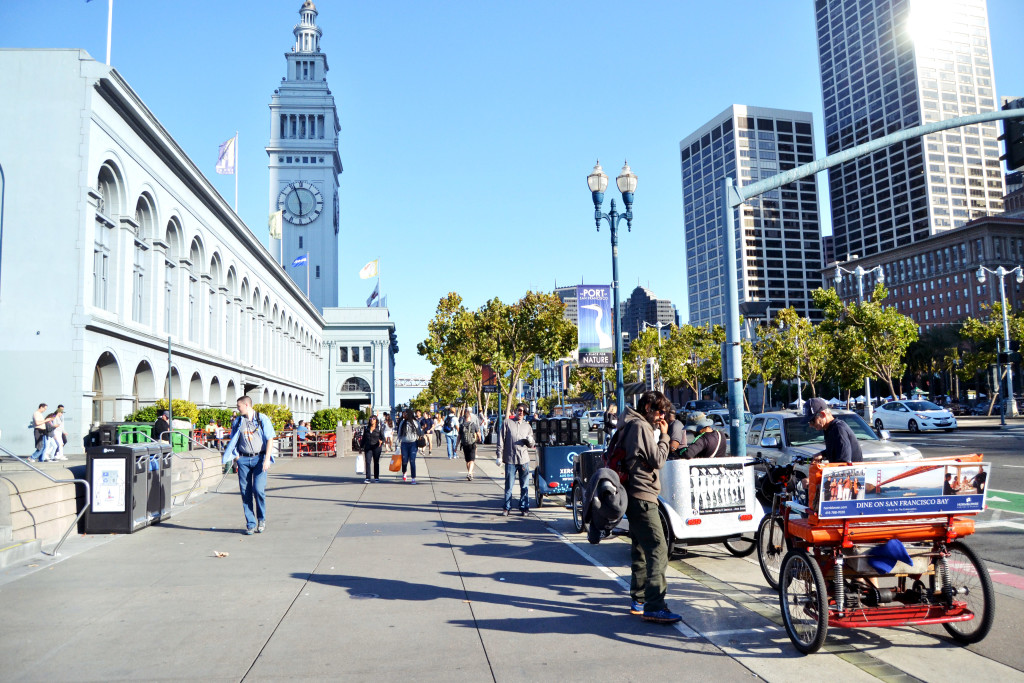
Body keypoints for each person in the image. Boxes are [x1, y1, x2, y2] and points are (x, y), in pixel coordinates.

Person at [618, 390, 681, 625]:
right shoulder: (641, 427)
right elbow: (658, 460)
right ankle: (655, 605)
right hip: (643, 495)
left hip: (632, 494)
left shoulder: (628, 423)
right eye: (659, 411)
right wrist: (665, 437)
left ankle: (639, 600)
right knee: (658, 548)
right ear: (647, 408)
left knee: (641, 549)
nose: (661, 416)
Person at [222, 396, 277, 535]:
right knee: (245, 492)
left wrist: (266, 459)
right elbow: (234, 438)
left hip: (259, 458)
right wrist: (237, 456)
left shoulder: (262, 418)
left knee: (258, 490)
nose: (237, 409)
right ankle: (251, 524)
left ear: (246, 405)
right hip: (244, 459)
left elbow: (270, 438)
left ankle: (261, 519)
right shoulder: (238, 421)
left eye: (239, 406)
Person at [498, 402, 536, 516]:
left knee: (524, 486)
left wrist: (530, 441)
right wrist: (499, 455)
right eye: (520, 410)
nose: (521, 413)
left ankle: (524, 507)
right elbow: (501, 440)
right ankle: (507, 507)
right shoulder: (507, 423)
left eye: (524, 411)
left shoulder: (527, 426)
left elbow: (532, 444)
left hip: (523, 459)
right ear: (516, 410)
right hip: (510, 459)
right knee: (509, 485)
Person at [804, 397, 863, 464]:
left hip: (852, 473)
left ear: (823, 414)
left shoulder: (839, 429)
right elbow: (837, 450)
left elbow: (843, 462)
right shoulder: (829, 428)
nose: (810, 425)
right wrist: (822, 454)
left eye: (812, 421)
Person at [396, 409, 423, 483]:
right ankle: (404, 472)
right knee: (404, 461)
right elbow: (399, 433)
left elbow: (420, 433)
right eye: (403, 414)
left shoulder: (415, 422)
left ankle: (413, 478)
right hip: (404, 443)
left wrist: (421, 431)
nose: (403, 415)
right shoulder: (402, 422)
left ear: (409, 414)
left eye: (405, 414)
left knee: (412, 460)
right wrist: (397, 443)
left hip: (413, 443)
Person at [457, 409, 482, 480]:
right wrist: (479, 439)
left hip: (464, 444)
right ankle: (470, 473)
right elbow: (478, 433)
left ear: (464, 418)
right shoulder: (473, 425)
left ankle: (470, 473)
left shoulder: (461, 426)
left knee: (467, 460)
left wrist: (456, 446)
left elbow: (459, 436)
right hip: (472, 444)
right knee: (472, 460)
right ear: (470, 417)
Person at [361, 415, 385, 483]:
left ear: (376, 420)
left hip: (376, 447)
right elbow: (364, 438)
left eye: (374, 419)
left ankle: (376, 477)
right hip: (368, 447)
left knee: (376, 462)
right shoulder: (366, 428)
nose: (372, 420)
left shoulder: (379, 428)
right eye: (371, 419)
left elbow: (383, 438)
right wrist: (361, 447)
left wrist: (381, 441)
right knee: (368, 462)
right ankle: (368, 477)